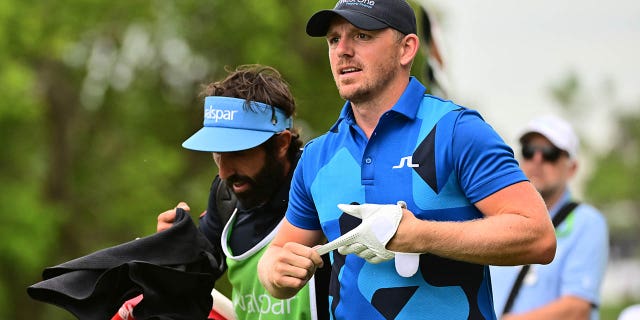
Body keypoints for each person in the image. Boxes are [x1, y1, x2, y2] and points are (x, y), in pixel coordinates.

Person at [257, 1, 557, 319]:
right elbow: (278, 254)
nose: (342, 50)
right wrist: (274, 272)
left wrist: (420, 235)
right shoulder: (318, 156)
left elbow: (538, 236)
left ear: (406, 49)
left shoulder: (457, 131)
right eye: (334, 39)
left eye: (361, 36)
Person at [116, 64, 329, 320]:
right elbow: (195, 278)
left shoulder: (323, 185)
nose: (225, 171)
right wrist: (172, 248)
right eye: (218, 154)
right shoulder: (225, 197)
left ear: (282, 144)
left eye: (238, 153)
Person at [490, 115, 609, 320]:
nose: (537, 159)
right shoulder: (496, 217)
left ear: (572, 168)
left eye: (550, 154)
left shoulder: (587, 222)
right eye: (529, 151)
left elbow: (577, 310)